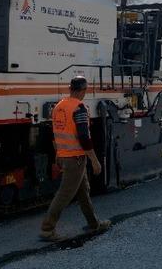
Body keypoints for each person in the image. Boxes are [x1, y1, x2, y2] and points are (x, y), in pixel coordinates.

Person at [40, 76, 111, 241]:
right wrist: (94, 160)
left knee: (83, 191)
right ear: (84, 90)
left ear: (70, 88)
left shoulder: (59, 106)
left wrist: (58, 154)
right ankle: (47, 229)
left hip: (65, 156)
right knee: (65, 194)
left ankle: (94, 224)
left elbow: (54, 133)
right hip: (75, 158)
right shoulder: (79, 108)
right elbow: (84, 137)